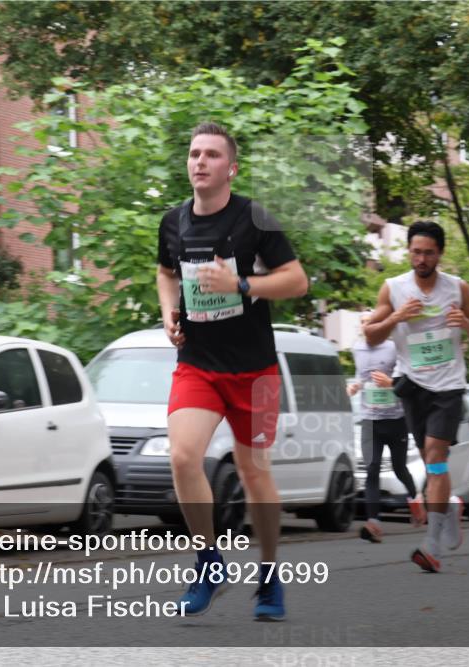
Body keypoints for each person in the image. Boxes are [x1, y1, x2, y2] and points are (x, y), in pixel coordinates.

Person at [156, 121, 308, 620]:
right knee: (182, 457)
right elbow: (165, 271)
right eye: (194, 153)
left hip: (257, 370)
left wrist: (242, 285)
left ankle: (268, 575)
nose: (200, 161)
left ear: (231, 168)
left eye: (212, 155)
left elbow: (296, 281)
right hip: (199, 364)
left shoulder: (254, 218)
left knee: (254, 473)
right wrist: (167, 312)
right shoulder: (173, 222)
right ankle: (208, 562)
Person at [363, 221, 469, 573]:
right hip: (412, 384)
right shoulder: (393, 289)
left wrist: (465, 322)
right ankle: (448, 507)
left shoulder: (459, 289)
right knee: (432, 461)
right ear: (409, 252)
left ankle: (431, 544)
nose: (421, 258)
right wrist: (398, 316)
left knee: (435, 454)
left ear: (440, 254)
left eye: (428, 252)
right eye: (416, 251)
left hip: (448, 385)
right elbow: (371, 336)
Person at [348, 313, 424, 543]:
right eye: (362, 322)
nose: (366, 325)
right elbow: (362, 377)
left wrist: (390, 384)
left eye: (370, 321)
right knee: (372, 469)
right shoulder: (357, 349)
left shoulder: (394, 347)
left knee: (400, 468)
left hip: (395, 419)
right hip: (370, 419)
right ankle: (374, 523)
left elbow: (407, 378)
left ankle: (416, 499)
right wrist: (354, 387)